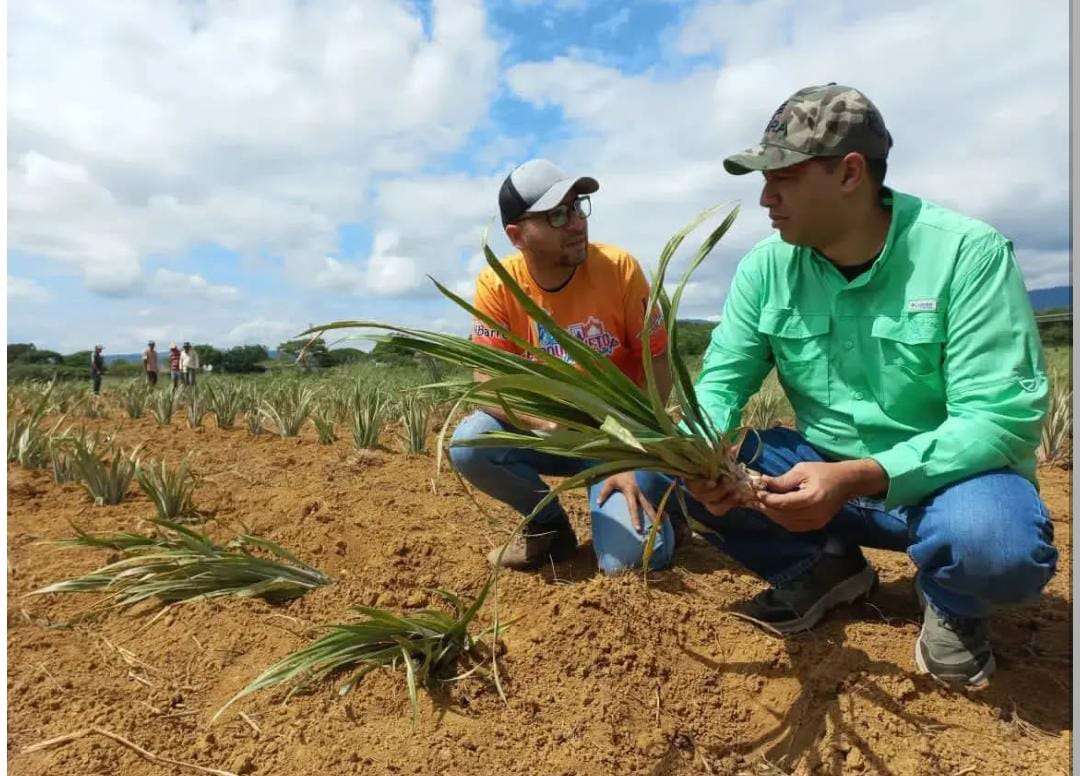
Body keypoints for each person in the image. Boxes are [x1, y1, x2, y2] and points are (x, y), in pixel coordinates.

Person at [642, 84, 1056, 688]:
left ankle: (953, 603)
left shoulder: (967, 254)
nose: (765, 196)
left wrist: (856, 477)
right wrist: (694, 453)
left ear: (850, 173)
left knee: (994, 545)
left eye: (781, 175)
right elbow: (719, 388)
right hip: (817, 469)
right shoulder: (766, 267)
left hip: (944, 484)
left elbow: (999, 417)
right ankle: (822, 565)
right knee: (677, 469)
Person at [449, 159, 681, 574]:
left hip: (619, 436)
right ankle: (549, 533)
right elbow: (486, 383)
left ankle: (668, 503)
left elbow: (658, 362)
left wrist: (629, 450)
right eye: (556, 215)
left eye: (578, 207)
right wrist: (543, 425)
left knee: (626, 562)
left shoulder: (619, 269)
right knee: (471, 443)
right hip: (553, 434)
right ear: (517, 235)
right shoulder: (498, 284)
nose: (575, 223)